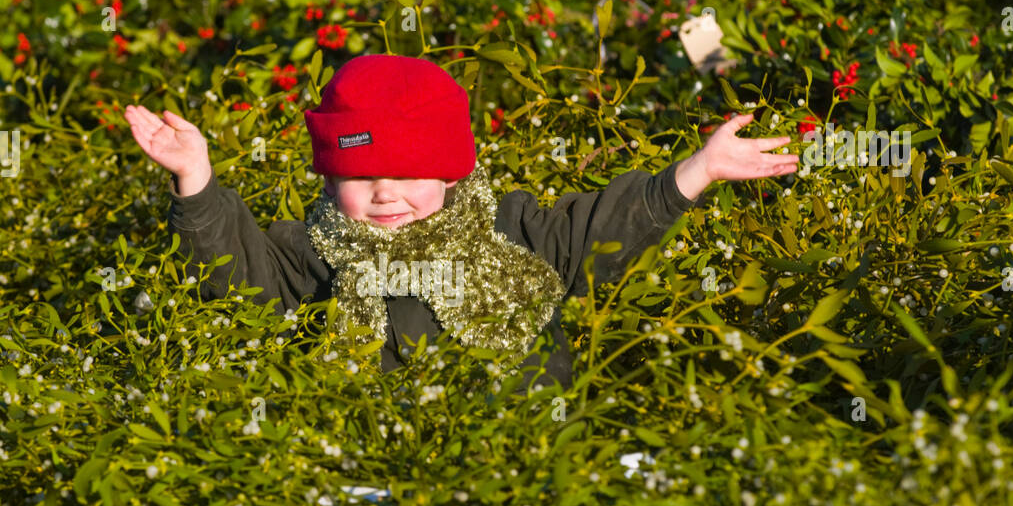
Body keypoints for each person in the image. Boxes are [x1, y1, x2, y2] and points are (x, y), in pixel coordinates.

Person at [125, 53, 797, 390]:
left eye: (410, 175)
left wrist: (697, 171)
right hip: (367, 467)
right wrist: (198, 184)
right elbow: (239, 282)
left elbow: (602, 229)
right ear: (330, 179)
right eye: (360, 178)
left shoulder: (510, 230)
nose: (386, 195)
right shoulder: (313, 250)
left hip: (516, 463)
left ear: (449, 172)